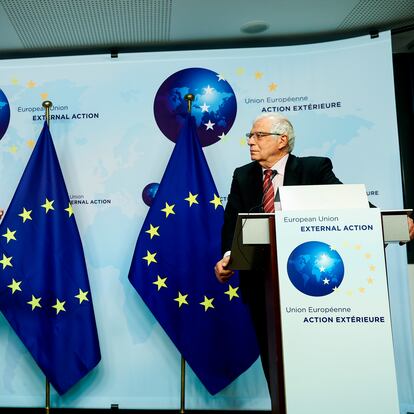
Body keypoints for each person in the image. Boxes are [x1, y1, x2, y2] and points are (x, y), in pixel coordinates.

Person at [214, 112, 414, 386]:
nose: (251, 141)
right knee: (273, 364)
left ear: (282, 140)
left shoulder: (312, 169)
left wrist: (390, 224)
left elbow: (351, 204)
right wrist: (228, 257)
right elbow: (232, 223)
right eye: (250, 135)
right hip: (261, 284)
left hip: (308, 282)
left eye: (258, 135)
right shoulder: (243, 175)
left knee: (308, 364)